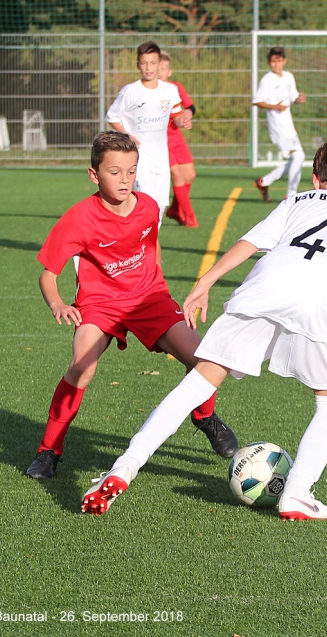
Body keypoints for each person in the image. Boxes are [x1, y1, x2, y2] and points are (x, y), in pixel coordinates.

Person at [81, 135, 327, 520]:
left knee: (198, 383)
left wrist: (205, 282)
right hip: (317, 299)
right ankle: (297, 493)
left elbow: (249, 243)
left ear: (316, 178)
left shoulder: (298, 200)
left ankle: (125, 466)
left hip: (263, 286)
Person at [24, 131, 238, 481]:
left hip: (148, 298)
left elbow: (152, 244)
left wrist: (158, 282)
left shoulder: (149, 206)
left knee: (204, 358)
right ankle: (48, 450)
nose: (125, 179)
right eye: (114, 172)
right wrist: (58, 303)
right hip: (100, 304)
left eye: (131, 171)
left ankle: (204, 417)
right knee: (81, 367)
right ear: (94, 175)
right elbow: (48, 274)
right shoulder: (78, 219)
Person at [105, 41, 191, 224]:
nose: (149, 68)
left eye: (152, 63)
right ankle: (136, 237)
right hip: (139, 157)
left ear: (160, 64)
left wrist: (183, 120)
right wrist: (127, 136)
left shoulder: (170, 90)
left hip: (161, 156)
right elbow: (112, 117)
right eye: (144, 63)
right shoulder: (130, 91)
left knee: (160, 204)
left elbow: (176, 116)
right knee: (147, 200)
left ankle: (144, 237)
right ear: (138, 65)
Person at [253, 46, 306, 203]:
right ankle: (290, 195)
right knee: (299, 156)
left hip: (288, 124)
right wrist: (274, 107)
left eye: (279, 61)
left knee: (296, 159)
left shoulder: (289, 77)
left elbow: (292, 98)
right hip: (276, 125)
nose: (276, 64)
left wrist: (298, 99)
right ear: (269, 63)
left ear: (284, 61)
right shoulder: (267, 79)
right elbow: (257, 101)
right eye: (273, 62)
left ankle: (264, 181)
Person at [158, 52, 200, 228]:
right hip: (159, 141)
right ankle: (190, 217)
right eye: (157, 67)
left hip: (176, 138)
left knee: (190, 175)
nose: (159, 72)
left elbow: (190, 107)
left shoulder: (175, 88)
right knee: (177, 175)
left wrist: (186, 116)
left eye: (163, 68)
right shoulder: (148, 92)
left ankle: (175, 209)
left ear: (169, 71)